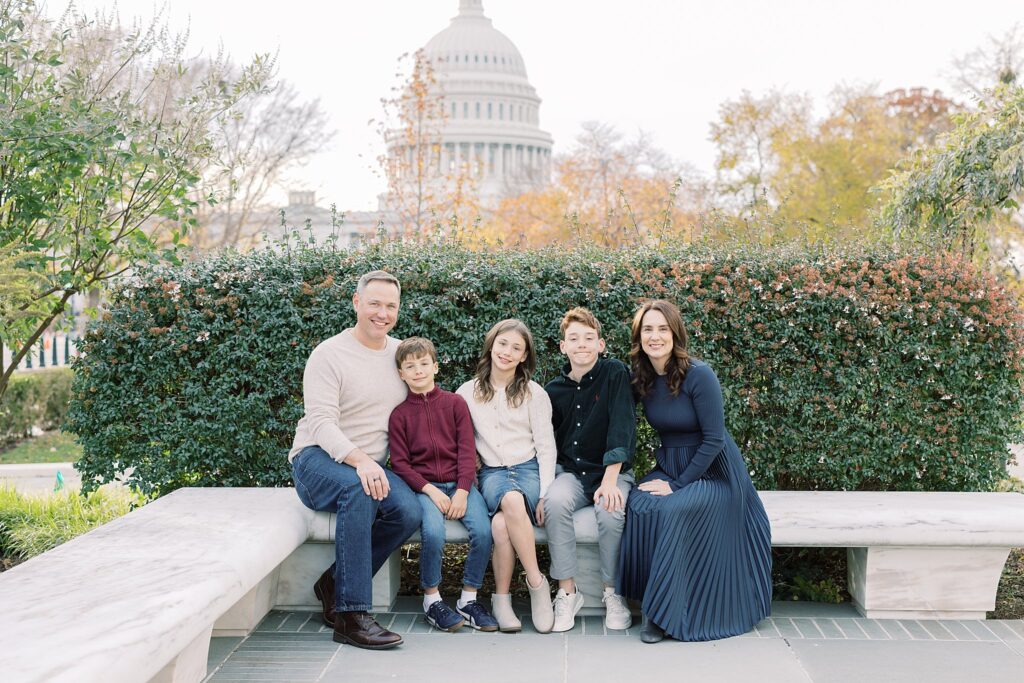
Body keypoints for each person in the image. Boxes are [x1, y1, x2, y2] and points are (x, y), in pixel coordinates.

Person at [618, 299, 772, 643]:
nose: (655, 336)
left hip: (714, 472)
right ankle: (650, 600)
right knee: (640, 504)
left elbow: (714, 439)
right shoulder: (640, 379)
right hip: (670, 466)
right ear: (638, 336)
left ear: (675, 334)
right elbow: (615, 419)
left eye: (662, 329)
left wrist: (677, 485)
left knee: (673, 509)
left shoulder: (698, 374)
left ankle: (662, 617)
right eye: (647, 329)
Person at [288, 270, 422, 650]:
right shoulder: (328, 354)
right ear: (357, 303)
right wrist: (360, 460)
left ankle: (332, 582)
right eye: (375, 303)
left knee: (407, 512)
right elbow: (321, 422)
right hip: (317, 458)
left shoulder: (399, 355)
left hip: (370, 463)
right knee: (360, 491)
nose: (383, 313)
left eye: (391, 306)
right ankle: (351, 615)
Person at [388, 337, 499, 633]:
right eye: (410, 366)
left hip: (460, 484)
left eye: (424, 364)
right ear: (401, 373)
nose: (418, 370)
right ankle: (432, 600)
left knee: (485, 532)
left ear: (435, 367)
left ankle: (468, 599)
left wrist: (463, 490)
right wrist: (431, 490)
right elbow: (400, 464)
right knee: (433, 532)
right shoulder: (399, 415)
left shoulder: (455, 404)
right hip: (426, 488)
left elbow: (466, 451)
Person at [456, 319, 556, 634]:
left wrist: (545, 493)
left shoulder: (534, 394)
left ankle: (503, 598)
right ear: (491, 345)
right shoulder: (466, 393)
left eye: (516, 348)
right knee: (509, 501)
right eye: (503, 344)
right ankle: (537, 582)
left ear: (525, 356)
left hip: (528, 471)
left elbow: (546, 447)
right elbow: (462, 445)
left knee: (501, 523)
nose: (507, 352)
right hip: (493, 474)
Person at [542, 307, 635, 632]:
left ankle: (613, 593)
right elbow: (547, 444)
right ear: (562, 347)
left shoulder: (615, 373)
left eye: (588, 338)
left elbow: (621, 427)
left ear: (601, 344)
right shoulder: (553, 391)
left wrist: (610, 481)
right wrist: (545, 490)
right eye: (573, 339)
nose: (581, 344)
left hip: (612, 473)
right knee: (554, 504)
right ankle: (567, 592)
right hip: (571, 474)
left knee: (611, 512)